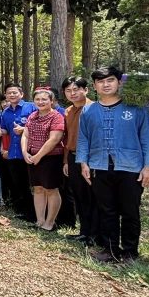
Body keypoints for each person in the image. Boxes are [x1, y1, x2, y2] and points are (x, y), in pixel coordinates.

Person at [77, 66, 149, 264]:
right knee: (107, 210)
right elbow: (83, 139)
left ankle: (130, 252)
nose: (105, 85)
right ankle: (110, 249)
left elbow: (148, 137)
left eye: (110, 80)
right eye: (100, 81)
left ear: (119, 82)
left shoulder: (136, 108)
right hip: (99, 166)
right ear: (95, 86)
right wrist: (83, 163)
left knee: (130, 211)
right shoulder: (88, 111)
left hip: (130, 167)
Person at [21, 89, 66, 231]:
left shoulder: (56, 117)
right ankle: (40, 221)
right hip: (32, 157)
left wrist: (38, 156)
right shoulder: (32, 116)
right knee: (38, 188)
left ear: (51, 101)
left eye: (44, 99)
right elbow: (25, 135)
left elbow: (54, 139)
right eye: (37, 99)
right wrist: (25, 152)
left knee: (51, 189)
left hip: (51, 159)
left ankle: (50, 222)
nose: (40, 102)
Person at [62, 76, 96, 244]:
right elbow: (67, 137)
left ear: (86, 90)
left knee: (92, 196)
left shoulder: (94, 109)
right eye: (68, 90)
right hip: (73, 156)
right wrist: (65, 161)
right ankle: (84, 232)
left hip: (91, 159)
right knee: (79, 195)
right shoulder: (68, 111)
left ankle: (94, 235)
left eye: (76, 89)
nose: (72, 93)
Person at [0, 85, 37, 222]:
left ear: (21, 93)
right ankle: (23, 211)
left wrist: (24, 129)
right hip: (13, 153)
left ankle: (35, 214)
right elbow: (5, 130)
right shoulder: (6, 112)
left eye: (14, 92)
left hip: (29, 153)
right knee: (18, 184)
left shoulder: (31, 107)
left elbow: (40, 125)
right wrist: (0, 132)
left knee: (33, 185)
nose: (12, 95)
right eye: (9, 93)